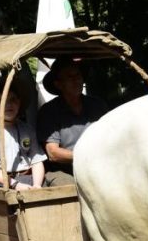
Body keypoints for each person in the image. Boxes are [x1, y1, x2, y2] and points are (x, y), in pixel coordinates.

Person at [37, 58, 108, 186]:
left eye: (78, 75)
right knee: (71, 188)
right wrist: (86, 155)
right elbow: (53, 153)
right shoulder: (49, 111)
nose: (76, 80)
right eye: (70, 77)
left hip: (99, 165)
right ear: (58, 84)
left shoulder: (98, 105)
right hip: (63, 171)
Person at [0, 76, 45, 189]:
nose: (9, 105)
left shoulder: (27, 129)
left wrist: (37, 185)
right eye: (3, 101)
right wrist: (15, 184)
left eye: (13, 100)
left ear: (19, 103)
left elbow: (37, 161)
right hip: (3, 183)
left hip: (30, 179)